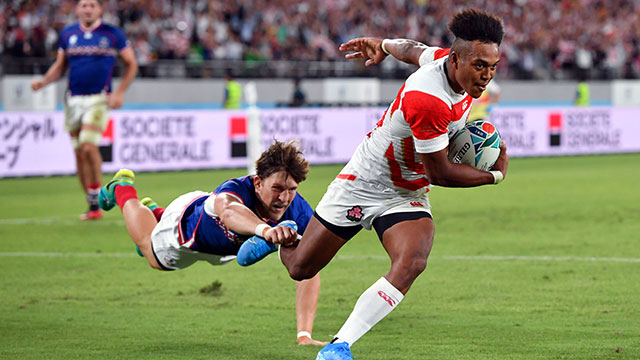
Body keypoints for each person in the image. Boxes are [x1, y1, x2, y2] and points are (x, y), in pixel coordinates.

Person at [237, 9, 509, 360]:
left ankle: (340, 344)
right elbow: (439, 173)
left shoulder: (447, 61)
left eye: (492, 66)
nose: (486, 75)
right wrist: (494, 174)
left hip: (406, 191)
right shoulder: (429, 100)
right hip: (364, 180)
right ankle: (282, 235)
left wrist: (382, 44)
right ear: (457, 59)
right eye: (480, 66)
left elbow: (413, 49)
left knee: (412, 260)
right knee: (300, 268)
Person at [97, 140, 326, 346]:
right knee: (152, 255)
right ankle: (122, 189)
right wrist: (266, 231)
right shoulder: (235, 191)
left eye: (292, 190)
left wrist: (304, 335)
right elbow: (228, 211)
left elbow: (308, 268)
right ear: (258, 183)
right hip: (186, 229)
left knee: (302, 253)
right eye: (277, 188)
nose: (284, 198)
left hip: (221, 251)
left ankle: (156, 212)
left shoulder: (299, 213)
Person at [31, 0, 138, 221]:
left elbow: (132, 63)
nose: (87, 9)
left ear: (100, 9)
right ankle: (92, 204)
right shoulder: (68, 34)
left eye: (92, 5)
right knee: (79, 152)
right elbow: (60, 66)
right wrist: (43, 82)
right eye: (84, 5)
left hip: (98, 98)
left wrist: (119, 92)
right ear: (77, 9)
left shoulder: (112, 34)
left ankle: (100, 196)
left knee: (89, 146)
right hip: (72, 100)